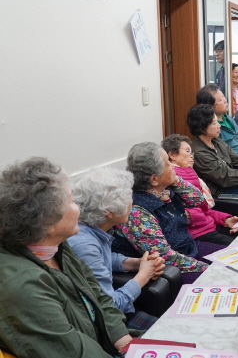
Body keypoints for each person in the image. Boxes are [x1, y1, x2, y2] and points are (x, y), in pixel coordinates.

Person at [0, 158, 135, 357]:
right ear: (48, 223)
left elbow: (97, 295)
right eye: (71, 201)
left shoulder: (57, 246)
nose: (78, 207)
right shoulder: (22, 285)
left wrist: (126, 343)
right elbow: (72, 352)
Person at [111, 142, 223, 284]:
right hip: (173, 268)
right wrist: (208, 269)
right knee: (222, 278)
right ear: (154, 178)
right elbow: (165, 256)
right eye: (168, 164)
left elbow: (197, 200)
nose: (173, 166)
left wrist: (175, 179)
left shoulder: (165, 190)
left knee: (237, 263)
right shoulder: (137, 211)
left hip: (189, 247)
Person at [69, 167, 166, 330]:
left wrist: (134, 263)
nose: (132, 201)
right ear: (109, 211)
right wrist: (144, 274)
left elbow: (103, 258)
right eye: (127, 197)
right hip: (108, 325)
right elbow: (112, 306)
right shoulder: (84, 246)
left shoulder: (90, 229)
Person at [161, 134, 238, 246]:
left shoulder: (191, 174)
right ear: (172, 155)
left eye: (192, 152)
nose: (192, 156)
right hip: (195, 234)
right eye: (187, 151)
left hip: (207, 226)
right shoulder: (169, 180)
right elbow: (185, 216)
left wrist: (225, 220)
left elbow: (203, 210)